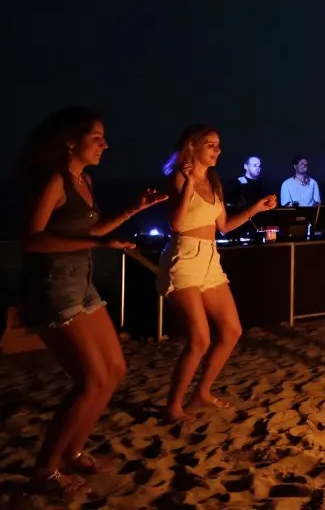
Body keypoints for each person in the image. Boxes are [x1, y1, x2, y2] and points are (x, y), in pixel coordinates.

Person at [15, 108, 166, 492]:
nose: (106, 144)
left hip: (81, 282)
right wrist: (97, 243)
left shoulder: (85, 180)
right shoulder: (55, 179)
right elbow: (32, 239)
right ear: (70, 141)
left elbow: (92, 230)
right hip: (53, 286)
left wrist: (133, 209)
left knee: (114, 369)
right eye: (97, 137)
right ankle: (44, 470)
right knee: (90, 380)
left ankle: (74, 452)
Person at [160, 125, 277, 422]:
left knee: (231, 330)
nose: (218, 150)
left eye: (218, 145)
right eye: (211, 145)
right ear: (192, 146)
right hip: (184, 259)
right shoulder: (178, 178)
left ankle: (201, 393)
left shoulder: (213, 181)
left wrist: (256, 209)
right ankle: (173, 406)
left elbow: (223, 226)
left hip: (211, 260)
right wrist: (189, 184)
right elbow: (176, 224)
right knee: (199, 339)